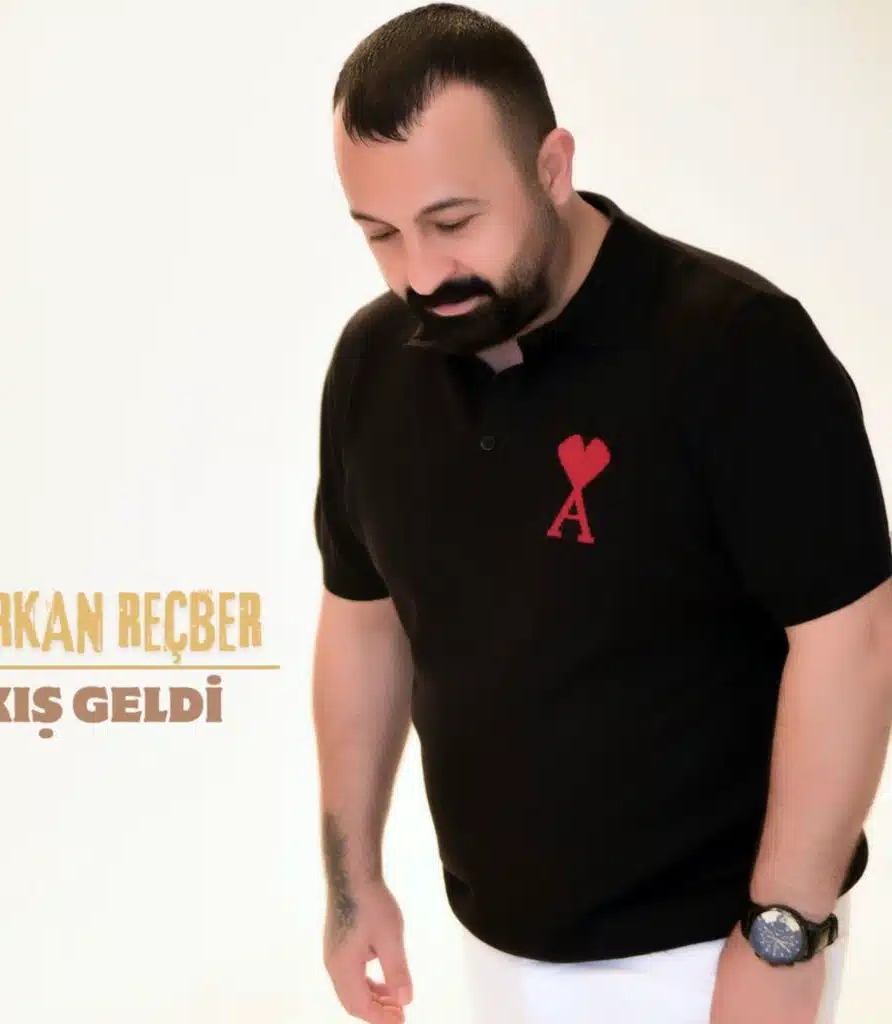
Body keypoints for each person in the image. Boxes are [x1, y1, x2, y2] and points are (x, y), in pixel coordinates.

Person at [310, 5, 892, 1023]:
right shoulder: (374, 362)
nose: (421, 274)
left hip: (706, 952)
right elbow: (364, 623)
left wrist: (784, 932)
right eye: (381, 235)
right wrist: (352, 886)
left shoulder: (736, 348)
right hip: (497, 945)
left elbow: (853, 638)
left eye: (453, 222)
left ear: (552, 166)